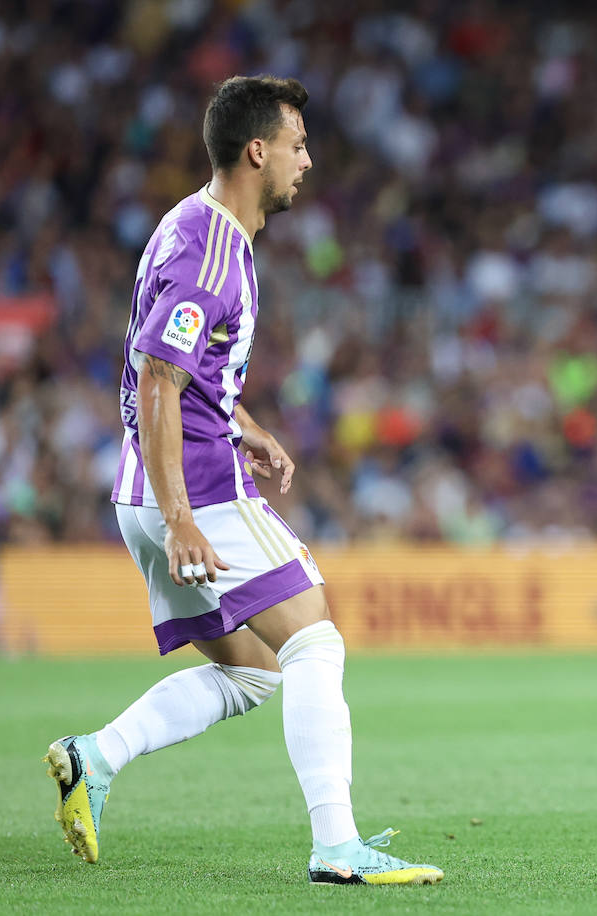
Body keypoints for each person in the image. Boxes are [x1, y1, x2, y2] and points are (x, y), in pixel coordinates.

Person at [43, 75, 442, 886]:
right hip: (194, 494)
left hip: (144, 492)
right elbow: (157, 378)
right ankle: (337, 848)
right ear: (257, 151)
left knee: (254, 672)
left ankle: (95, 757)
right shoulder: (216, 249)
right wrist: (185, 515)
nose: (307, 161)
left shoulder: (191, 225)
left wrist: (246, 426)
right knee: (316, 643)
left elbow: (188, 374)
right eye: (297, 145)